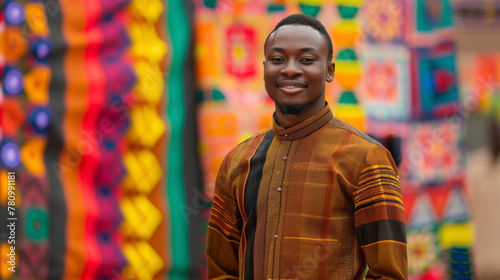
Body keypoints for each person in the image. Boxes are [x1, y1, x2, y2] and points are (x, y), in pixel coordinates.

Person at [206, 14, 408, 279]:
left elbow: (389, 274)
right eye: (278, 60)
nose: (290, 69)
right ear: (265, 68)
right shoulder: (237, 161)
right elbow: (222, 270)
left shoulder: (367, 158)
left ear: (330, 70)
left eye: (306, 60)